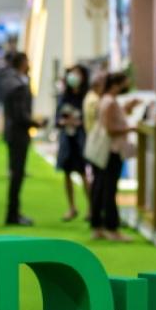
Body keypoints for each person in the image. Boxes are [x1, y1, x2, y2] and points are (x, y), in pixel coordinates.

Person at [1, 52, 43, 226]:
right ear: (22, 63)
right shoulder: (18, 85)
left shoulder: (10, 81)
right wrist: (35, 123)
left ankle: (13, 213)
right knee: (17, 175)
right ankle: (13, 214)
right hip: (18, 134)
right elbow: (20, 114)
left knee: (16, 174)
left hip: (13, 132)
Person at [90, 72, 134, 241]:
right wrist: (130, 129)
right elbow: (110, 129)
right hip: (111, 150)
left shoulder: (105, 100)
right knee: (108, 189)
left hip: (107, 150)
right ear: (116, 85)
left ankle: (98, 226)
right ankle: (111, 227)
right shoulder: (109, 102)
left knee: (101, 188)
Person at [56, 65, 90, 222]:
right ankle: (72, 207)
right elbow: (57, 119)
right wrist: (64, 122)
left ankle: (91, 208)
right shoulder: (64, 96)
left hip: (81, 140)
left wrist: (79, 123)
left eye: (77, 73)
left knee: (84, 173)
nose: (74, 76)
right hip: (67, 141)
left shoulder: (86, 97)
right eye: (72, 73)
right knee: (67, 173)